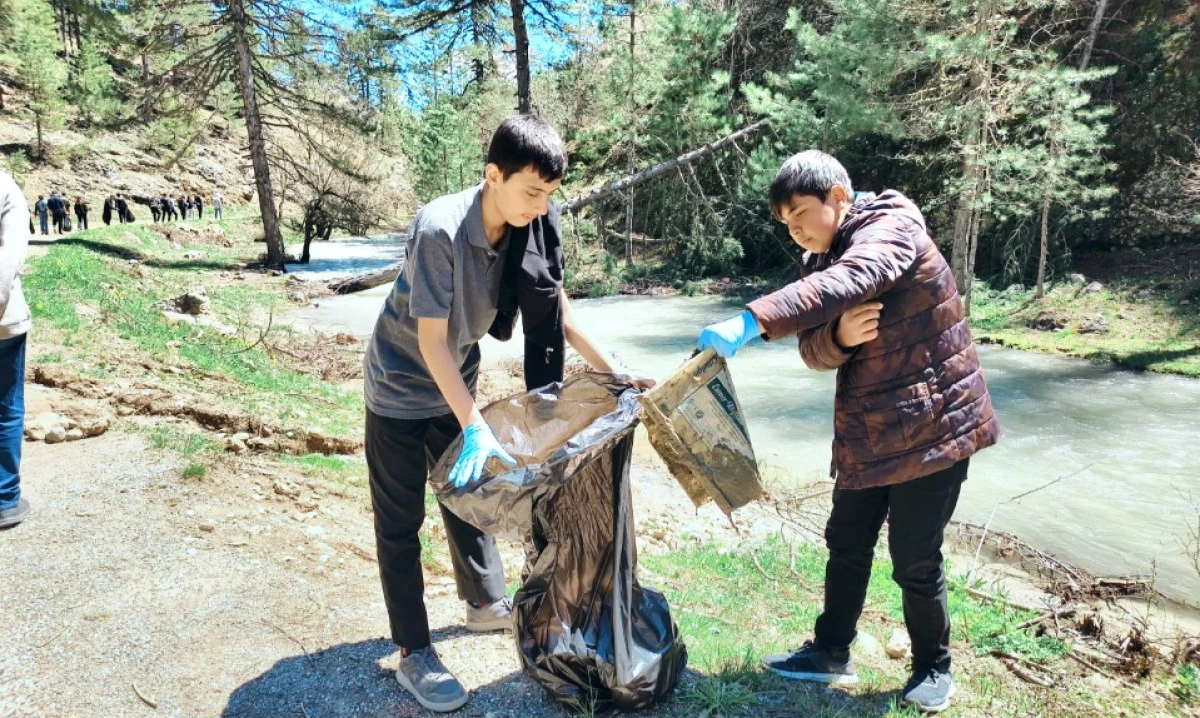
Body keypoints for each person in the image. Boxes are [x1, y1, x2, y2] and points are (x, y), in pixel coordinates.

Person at [363, 115, 653, 713]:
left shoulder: (533, 224)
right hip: (398, 385)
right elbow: (431, 343)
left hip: (454, 383)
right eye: (531, 191)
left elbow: (562, 315)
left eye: (549, 194)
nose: (540, 205)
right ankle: (414, 652)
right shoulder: (441, 228)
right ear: (492, 175)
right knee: (400, 524)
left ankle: (484, 602)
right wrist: (474, 425)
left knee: (470, 492)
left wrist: (615, 369)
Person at [696, 150, 1000, 715]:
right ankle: (830, 652)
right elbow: (813, 349)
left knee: (914, 557)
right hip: (869, 430)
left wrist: (752, 319)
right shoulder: (824, 261)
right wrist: (837, 334)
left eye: (800, 215)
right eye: (785, 224)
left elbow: (859, 276)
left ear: (839, 196)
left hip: (932, 426)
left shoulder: (891, 228)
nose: (795, 231)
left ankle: (933, 666)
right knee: (847, 541)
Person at [0, 171, 32, 529]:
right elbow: (9, 257)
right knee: (6, 408)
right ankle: (5, 500)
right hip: (3, 322)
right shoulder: (5, 187)